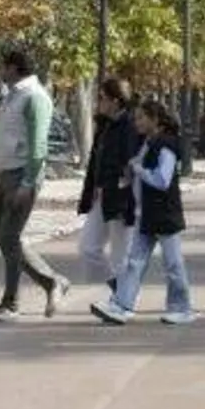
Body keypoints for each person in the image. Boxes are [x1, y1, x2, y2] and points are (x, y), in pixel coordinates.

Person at [0, 48, 70, 325]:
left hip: (22, 175)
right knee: (7, 239)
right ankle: (51, 283)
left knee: (9, 238)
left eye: (3, 67)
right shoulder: (12, 96)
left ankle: (14, 302)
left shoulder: (35, 97)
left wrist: (29, 183)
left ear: (14, 68)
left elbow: (38, 144)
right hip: (5, 174)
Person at [90, 99, 196, 325]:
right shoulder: (149, 142)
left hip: (165, 213)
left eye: (140, 118)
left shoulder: (165, 144)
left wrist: (139, 169)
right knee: (133, 262)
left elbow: (162, 179)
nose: (136, 122)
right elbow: (139, 166)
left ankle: (182, 307)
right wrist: (131, 171)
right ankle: (121, 305)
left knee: (173, 263)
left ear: (154, 120)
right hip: (147, 213)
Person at [77, 77, 140, 292]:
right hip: (101, 196)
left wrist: (122, 190)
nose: (99, 102)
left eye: (102, 98)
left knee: (120, 255)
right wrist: (92, 188)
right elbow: (95, 162)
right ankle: (119, 289)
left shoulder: (129, 126)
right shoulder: (104, 126)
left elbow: (130, 165)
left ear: (116, 101)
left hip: (121, 198)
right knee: (88, 247)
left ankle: (124, 300)